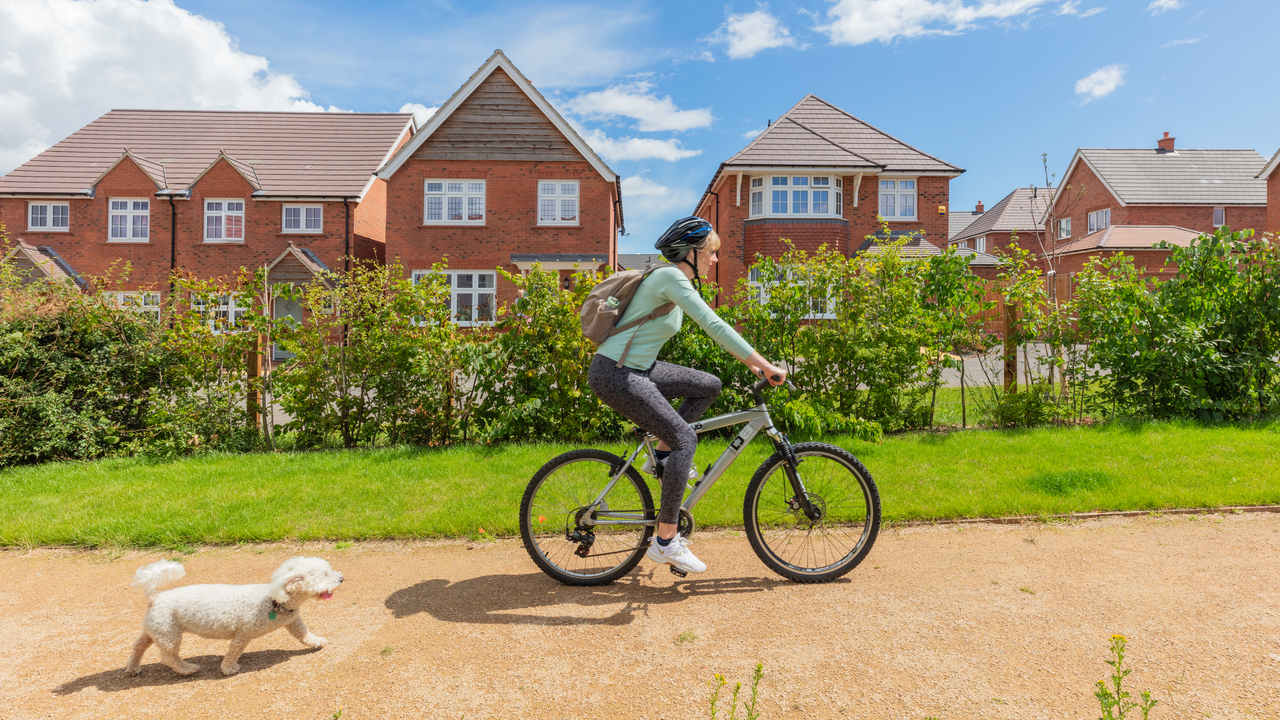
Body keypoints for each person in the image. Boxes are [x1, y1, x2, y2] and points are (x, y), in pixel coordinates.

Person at [588, 216, 787, 574]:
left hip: (637, 369)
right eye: (711, 252)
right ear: (692, 252)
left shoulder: (671, 281)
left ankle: (661, 459)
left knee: (708, 384)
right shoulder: (670, 277)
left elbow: (708, 327)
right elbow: (714, 325)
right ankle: (665, 541)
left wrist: (753, 366)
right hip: (616, 373)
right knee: (685, 440)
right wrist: (764, 363)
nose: (715, 260)